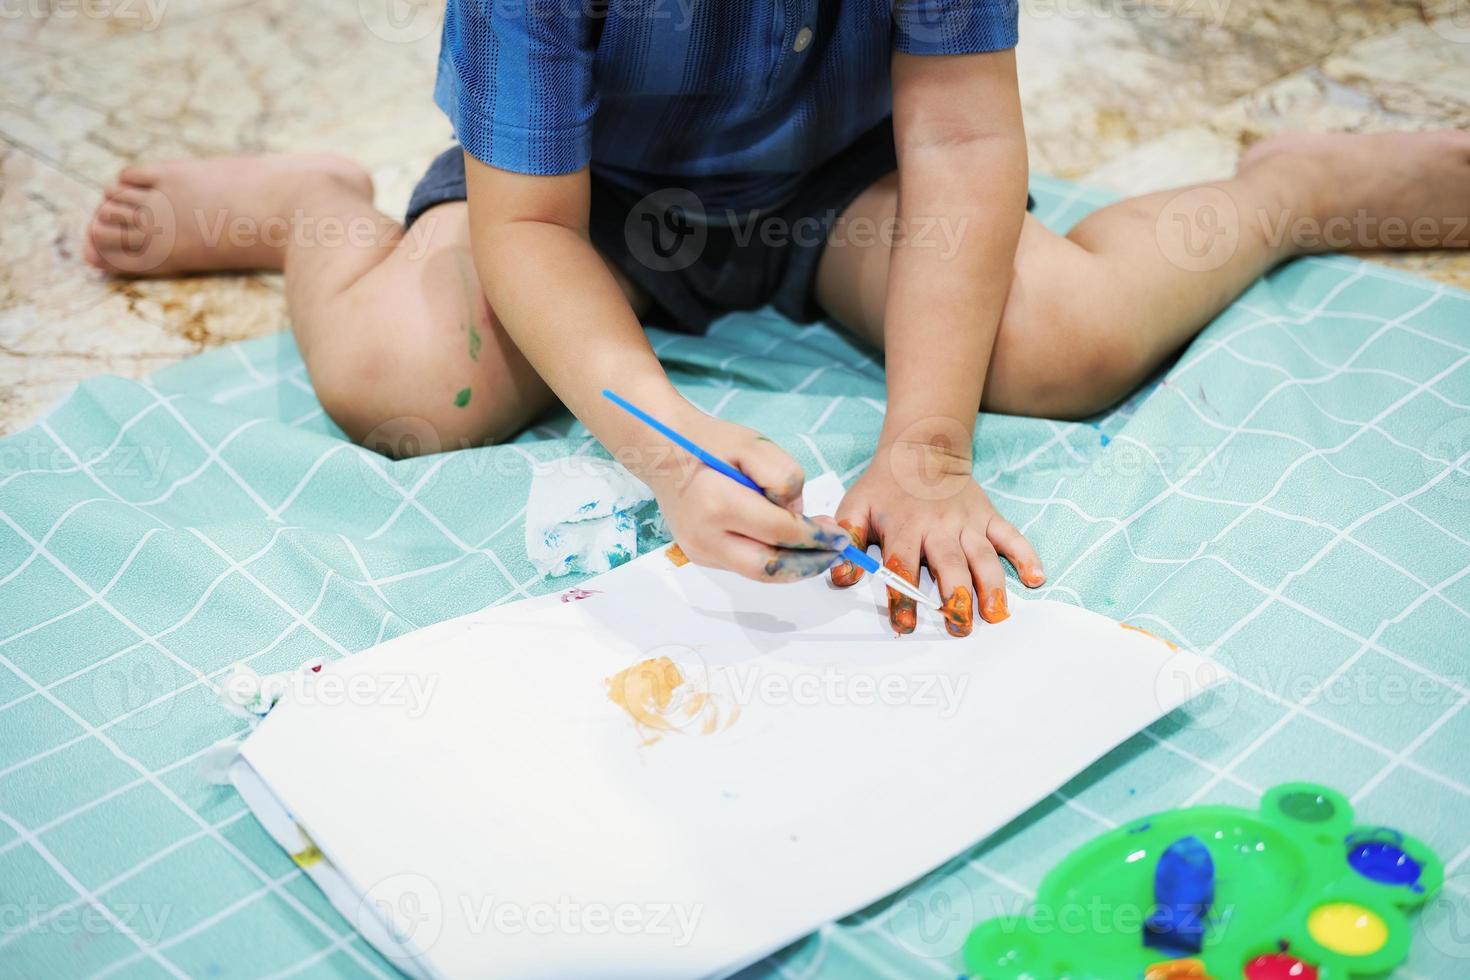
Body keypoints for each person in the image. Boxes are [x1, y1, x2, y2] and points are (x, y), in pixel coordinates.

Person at [84, 1, 1470, 637]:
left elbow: (966, 147)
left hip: (838, 176)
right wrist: (669, 444)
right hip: (578, 198)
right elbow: (528, 230)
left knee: (1061, 343)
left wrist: (924, 448)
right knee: (406, 387)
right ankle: (310, 206)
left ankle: (1288, 195)